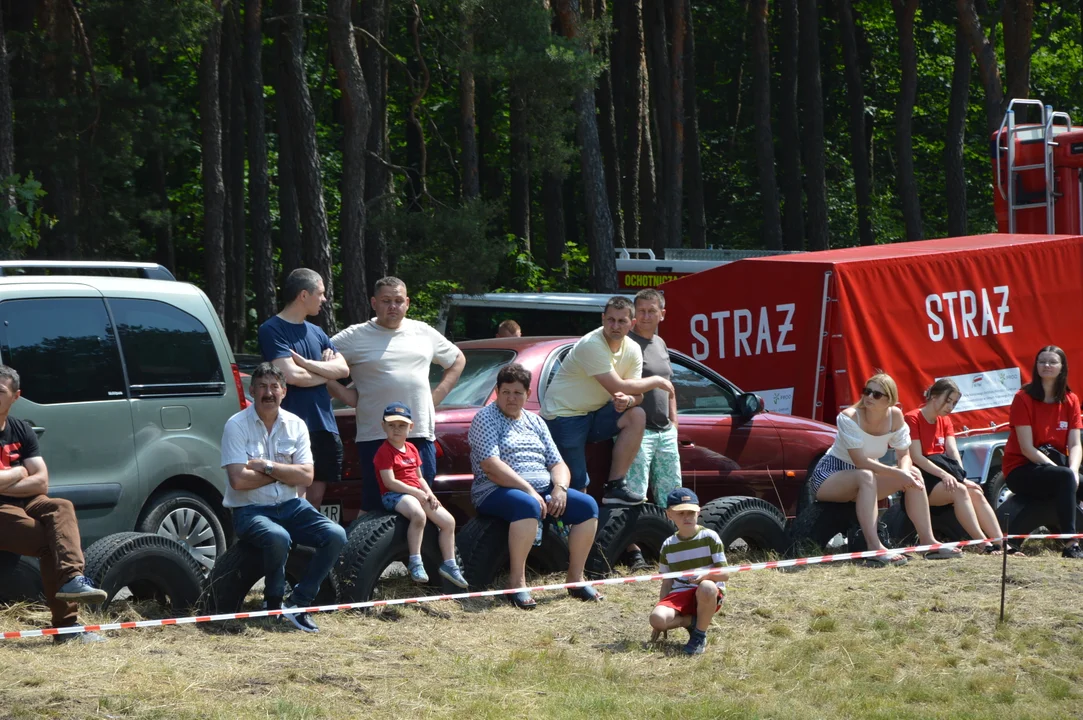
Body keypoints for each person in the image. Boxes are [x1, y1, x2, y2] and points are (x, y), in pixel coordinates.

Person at [220, 363, 348, 632]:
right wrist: (286, 473)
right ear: (252, 391)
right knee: (278, 537)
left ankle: (299, 603)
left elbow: (307, 477)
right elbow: (238, 480)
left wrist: (266, 467)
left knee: (336, 535)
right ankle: (273, 603)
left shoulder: (296, 424)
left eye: (274, 386)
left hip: (292, 506)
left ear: (284, 391)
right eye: (263, 387)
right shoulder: (236, 425)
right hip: (249, 510)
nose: (269, 392)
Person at [327, 277, 465, 515]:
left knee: (422, 503)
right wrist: (345, 395)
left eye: (398, 301)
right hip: (375, 436)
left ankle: (416, 553)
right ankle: (367, 551)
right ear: (373, 303)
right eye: (386, 301)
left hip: (418, 435)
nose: (393, 306)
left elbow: (457, 360)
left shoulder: (422, 332)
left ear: (408, 303)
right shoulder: (354, 336)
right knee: (376, 506)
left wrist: (436, 397)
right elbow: (320, 361)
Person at [469, 363, 600, 609]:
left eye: (518, 392)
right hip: (495, 490)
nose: (511, 398)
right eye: (506, 392)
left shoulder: (535, 421)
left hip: (542, 491)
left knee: (587, 506)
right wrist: (528, 490)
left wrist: (560, 488)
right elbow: (491, 465)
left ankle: (575, 578)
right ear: (497, 391)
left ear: (528, 394)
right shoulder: (485, 418)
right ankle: (516, 582)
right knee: (527, 504)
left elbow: (557, 462)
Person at [0, 365, 108, 643]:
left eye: (0, 392)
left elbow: (42, 483)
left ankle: (73, 579)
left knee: (61, 506)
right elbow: (31, 475)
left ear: (15, 396)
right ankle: (67, 627)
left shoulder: (21, 429)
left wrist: (10, 479)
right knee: (51, 543)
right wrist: (21, 472)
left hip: (28, 500)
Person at [810, 373, 962, 565]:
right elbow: (860, 461)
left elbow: (904, 455)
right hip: (830, 476)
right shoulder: (848, 417)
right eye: (867, 391)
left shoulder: (896, 416)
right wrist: (897, 473)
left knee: (914, 473)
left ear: (890, 400)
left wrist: (905, 472)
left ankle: (928, 542)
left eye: (876, 394)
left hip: (867, 478)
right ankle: (875, 547)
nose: (869, 397)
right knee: (866, 475)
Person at [541, 296, 674, 505]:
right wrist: (657, 380)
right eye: (611, 319)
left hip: (595, 414)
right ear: (603, 319)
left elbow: (635, 395)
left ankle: (615, 487)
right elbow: (618, 386)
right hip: (564, 416)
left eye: (622, 321)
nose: (615, 326)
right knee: (577, 484)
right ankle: (568, 534)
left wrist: (628, 402)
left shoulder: (632, 349)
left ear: (632, 324)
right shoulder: (591, 344)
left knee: (636, 414)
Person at [258, 268, 350, 510]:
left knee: (316, 499)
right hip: (293, 426)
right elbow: (291, 375)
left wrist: (309, 365)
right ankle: (290, 547)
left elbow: (343, 370)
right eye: (320, 293)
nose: (324, 299)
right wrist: (324, 371)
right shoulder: (272, 329)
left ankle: (307, 547)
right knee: (296, 498)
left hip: (325, 426)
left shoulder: (317, 332)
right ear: (303, 295)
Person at [905, 379, 1014, 555]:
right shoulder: (913, 418)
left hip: (944, 476)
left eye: (954, 403)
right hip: (923, 479)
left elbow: (953, 453)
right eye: (947, 401)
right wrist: (947, 476)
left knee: (976, 491)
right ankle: (982, 543)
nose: (951, 407)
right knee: (961, 491)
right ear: (934, 396)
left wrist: (962, 478)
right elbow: (917, 456)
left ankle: (1000, 542)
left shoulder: (945, 421)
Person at [1001, 345, 1083, 558]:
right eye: (1042, 361)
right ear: (1036, 366)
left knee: (1072, 478)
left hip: (1054, 469)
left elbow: (1075, 444)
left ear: (1062, 367)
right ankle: (1070, 544)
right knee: (1064, 478)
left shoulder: (1070, 399)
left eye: (1052, 362)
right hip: (1021, 469)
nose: (1047, 366)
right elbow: (1027, 449)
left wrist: (1073, 471)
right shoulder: (1023, 398)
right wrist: (1062, 473)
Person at [375, 402, 468, 588]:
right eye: (391, 425)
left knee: (448, 522)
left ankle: (449, 564)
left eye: (401, 425)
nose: (396, 430)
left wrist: (429, 493)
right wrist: (416, 492)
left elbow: (419, 477)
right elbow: (389, 482)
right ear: (383, 426)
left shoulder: (411, 449)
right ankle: (415, 561)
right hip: (395, 495)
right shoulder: (384, 451)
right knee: (418, 515)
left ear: (411, 427)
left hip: (416, 493)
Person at [623, 289, 681, 570]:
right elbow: (620, 387)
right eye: (641, 311)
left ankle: (675, 550)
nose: (645, 316)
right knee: (634, 493)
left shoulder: (661, 343)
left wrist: (674, 422)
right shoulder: (626, 344)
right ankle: (633, 553)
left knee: (672, 494)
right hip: (638, 432)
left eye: (651, 311)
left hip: (665, 431)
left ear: (662, 314)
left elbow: (670, 386)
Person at [648, 488, 729, 656]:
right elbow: (667, 581)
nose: (687, 517)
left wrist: (706, 575)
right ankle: (691, 622)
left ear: (698, 512)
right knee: (656, 619)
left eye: (691, 512)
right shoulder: (668, 545)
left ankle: (699, 635)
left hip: (707, 591)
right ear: (669, 514)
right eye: (681, 513)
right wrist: (661, 610)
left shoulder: (710, 537)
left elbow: (725, 574)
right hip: (679, 593)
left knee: (707, 587)